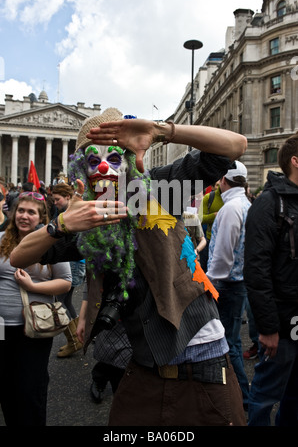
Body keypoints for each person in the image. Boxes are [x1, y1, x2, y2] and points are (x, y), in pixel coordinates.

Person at [10, 109, 248, 426]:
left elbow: (234, 145)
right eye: (94, 160)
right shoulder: (85, 219)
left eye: (114, 156)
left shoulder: (160, 188)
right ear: (83, 170)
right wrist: (62, 224)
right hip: (144, 364)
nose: (105, 167)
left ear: (127, 158)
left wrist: (161, 130)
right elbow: (18, 256)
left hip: (200, 362)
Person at [0, 191, 72, 426]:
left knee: (30, 389)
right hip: (1, 327)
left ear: (42, 218)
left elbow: (65, 282)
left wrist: (31, 285)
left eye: (31, 212)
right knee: (5, 387)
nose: (24, 216)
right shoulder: (1, 239)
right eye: (21, 210)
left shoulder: (51, 242)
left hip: (34, 326)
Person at [244, 133, 298, 426]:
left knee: (295, 397)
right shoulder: (269, 203)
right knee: (265, 396)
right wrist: (267, 328)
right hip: (279, 322)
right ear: (296, 161)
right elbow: (256, 270)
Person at [206, 161, 251, 409]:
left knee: (229, 343)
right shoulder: (243, 203)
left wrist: (209, 284)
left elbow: (223, 253)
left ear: (224, 180)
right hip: (237, 283)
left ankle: (242, 396)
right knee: (230, 341)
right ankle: (239, 394)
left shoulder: (232, 207)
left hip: (228, 285)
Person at [51, 183, 86, 358]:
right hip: (73, 261)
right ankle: (77, 338)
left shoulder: (71, 212)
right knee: (67, 300)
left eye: (57, 199)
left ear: (67, 197)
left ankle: (74, 340)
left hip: (73, 261)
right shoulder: (64, 212)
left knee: (61, 300)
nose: (55, 202)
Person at [200, 181, 224, 272]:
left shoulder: (232, 199)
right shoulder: (209, 197)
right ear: (213, 187)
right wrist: (214, 216)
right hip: (209, 240)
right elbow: (200, 218)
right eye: (217, 185)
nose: (218, 187)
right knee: (205, 269)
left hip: (224, 242)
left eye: (219, 184)